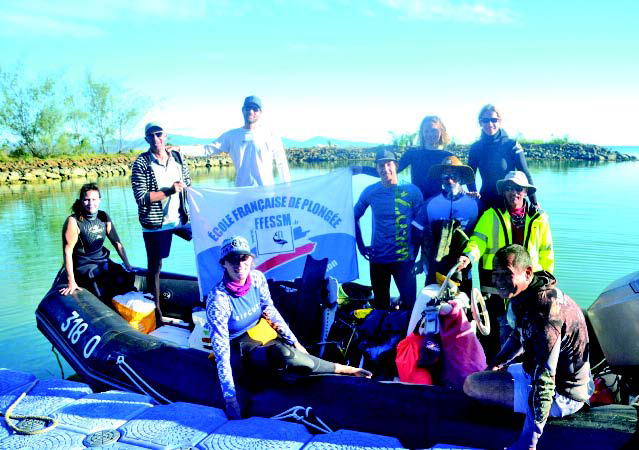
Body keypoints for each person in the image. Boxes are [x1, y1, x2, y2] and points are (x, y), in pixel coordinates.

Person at [206, 235, 371, 419]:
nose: (239, 264)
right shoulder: (218, 299)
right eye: (232, 259)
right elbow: (221, 351)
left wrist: (295, 342)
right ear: (224, 264)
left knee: (293, 349)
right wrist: (230, 398)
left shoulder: (257, 278)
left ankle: (319, 367)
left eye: (244, 258)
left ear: (251, 260)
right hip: (238, 348)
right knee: (283, 354)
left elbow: (269, 311)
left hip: (260, 334)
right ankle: (345, 369)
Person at [463, 245, 592, 450]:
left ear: (528, 273)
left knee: (472, 385)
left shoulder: (544, 315)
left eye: (506, 274)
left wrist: (528, 442)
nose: (498, 281)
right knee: (484, 375)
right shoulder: (526, 293)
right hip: (554, 375)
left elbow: (544, 383)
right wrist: (496, 364)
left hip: (564, 394)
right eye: (495, 274)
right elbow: (518, 335)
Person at [457, 171, 554, 358]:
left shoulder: (540, 218)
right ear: (503, 191)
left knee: (528, 326)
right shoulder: (490, 215)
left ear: (525, 192)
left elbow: (546, 252)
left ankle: (523, 364)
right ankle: (497, 365)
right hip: (497, 284)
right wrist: (468, 256)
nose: (514, 192)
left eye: (518, 188)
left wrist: (546, 281)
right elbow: (478, 241)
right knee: (499, 328)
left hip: (528, 284)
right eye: (509, 188)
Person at [131, 122, 192, 321]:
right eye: (151, 135)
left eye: (159, 134)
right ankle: (156, 311)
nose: (156, 138)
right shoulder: (141, 163)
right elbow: (141, 197)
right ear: (146, 139)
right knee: (155, 266)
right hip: (155, 223)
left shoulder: (177, 157)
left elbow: (188, 184)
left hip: (181, 219)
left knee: (206, 242)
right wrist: (169, 191)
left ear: (165, 135)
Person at [354, 149, 424, 311]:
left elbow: (421, 227)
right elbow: (353, 217)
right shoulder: (370, 192)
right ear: (376, 168)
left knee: (410, 307)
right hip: (378, 259)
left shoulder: (412, 191)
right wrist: (361, 246)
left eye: (388, 164)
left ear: (396, 166)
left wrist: (419, 256)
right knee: (381, 307)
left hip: (404, 260)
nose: (385, 169)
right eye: (381, 165)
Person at [181, 95, 290, 187]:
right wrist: (180, 149)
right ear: (243, 110)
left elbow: (282, 163)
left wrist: (287, 188)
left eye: (255, 109)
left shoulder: (271, 135)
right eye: (248, 108)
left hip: (266, 193)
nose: (251, 112)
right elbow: (207, 150)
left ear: (260, 112)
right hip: (242, 193)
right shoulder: (231, 136)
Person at [412, 155, 479, 286]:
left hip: (462, 265)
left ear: (461, 178)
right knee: (431, 298)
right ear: (440, 179)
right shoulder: (429, 204)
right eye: (445, 176)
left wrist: (470, 256)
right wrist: (420, 259)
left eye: (454, 175)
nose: (450, 180)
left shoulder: (475, 204)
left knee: (463, 298)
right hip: (434, 264)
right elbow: (417, 234)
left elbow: (480, 237)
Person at [60, 183, 133, 300]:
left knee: (124, 276)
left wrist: (128, 264)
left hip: (102, 260)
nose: (91, 203)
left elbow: (117, 243)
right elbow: (67, 252)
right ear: (81, 201)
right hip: (84, 265)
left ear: (99, 200)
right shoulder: (73, 221)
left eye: (94, 199)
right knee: (101, 284)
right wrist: (71, 281)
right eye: (87, 200)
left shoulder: (103, 217)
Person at [354, 116, 453, 200]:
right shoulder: (413, 153)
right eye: (426, 131)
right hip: (416, 202)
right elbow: (389, 172)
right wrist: (362, 169)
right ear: (422, 133)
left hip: (438, 204)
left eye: (434, 130)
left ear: (441, 131)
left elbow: (455, 183)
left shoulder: (447, 157)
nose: (430, 134)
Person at [466, 104, 538, 211]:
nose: (490, 124)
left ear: (500, 121)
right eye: (485, 120)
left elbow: (525, 173)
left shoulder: (512, 145)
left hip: (511, 201)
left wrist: (534, 202)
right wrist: (474, 195)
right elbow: (469, 175)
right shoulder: (476, 148)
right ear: (480, 123)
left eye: (494, 120)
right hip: (485, 201)